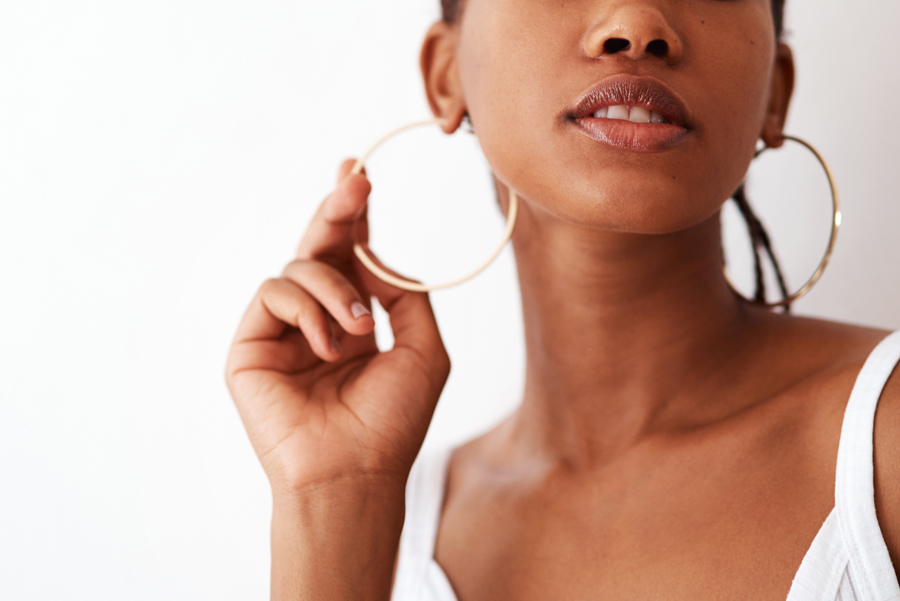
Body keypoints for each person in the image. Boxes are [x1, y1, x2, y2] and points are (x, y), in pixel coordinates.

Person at [225, 0, 900, 599]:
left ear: (775, 94)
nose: (637, 26)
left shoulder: (881, 450)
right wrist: (337, 499)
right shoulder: (390, 521)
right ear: (445, 71)